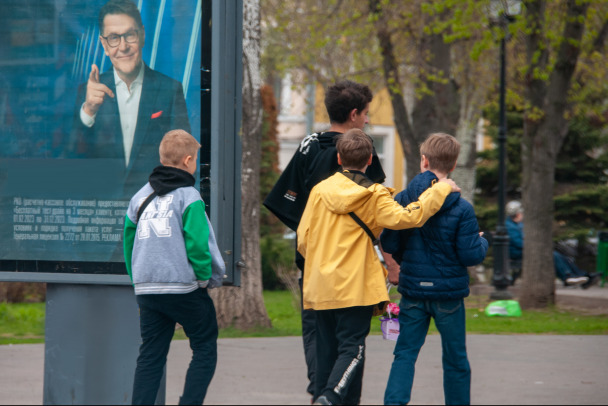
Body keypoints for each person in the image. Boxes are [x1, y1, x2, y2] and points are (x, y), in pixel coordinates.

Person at [297, 129, 460, 406]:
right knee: (353, 349)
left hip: (319, 285)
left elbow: (303, 238)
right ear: (371, 159)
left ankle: (323, 395)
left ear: (338, 158)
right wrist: (440, 188)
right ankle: (331, 397)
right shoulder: (374, 196)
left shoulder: (319, 191)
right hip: (355, 286)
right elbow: (411, 217)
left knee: (326, 353)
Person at [263, 80, 386, 397]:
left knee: (318, 340)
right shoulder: (363, 150)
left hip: (314, 266)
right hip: (352, 268)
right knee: (351, 343)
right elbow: (378, 213)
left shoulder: (308, 146)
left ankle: (321, 394)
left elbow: (282, 201)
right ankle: (336, 396)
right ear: (355, 114)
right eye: (367, 114)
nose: (368, 121)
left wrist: (312, 234)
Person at [381, 133, 488, 406]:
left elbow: (390, 241)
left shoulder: (404, 199)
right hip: (448, 294)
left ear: (424, 161)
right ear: (452, 166)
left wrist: (405, 257)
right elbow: (469, 255)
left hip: (413, 290)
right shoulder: (462, 208)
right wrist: (481, 240)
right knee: (455, 358)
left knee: (405, 353)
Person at [123, 129, 224, 405]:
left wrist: (137, 280)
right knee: (204, 347)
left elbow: (128, 243)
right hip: (183, 288)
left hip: (147, 289)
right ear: (188, 160)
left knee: (151, 355)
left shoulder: (140, 197)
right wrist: (204, 279)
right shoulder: (188, 196)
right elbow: (197, 244)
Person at [72, 0, 191, 193]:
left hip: (153, 211)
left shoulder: (170, 89)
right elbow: (70, 159)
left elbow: (184, 159)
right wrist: (89, 111)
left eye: (129, 35)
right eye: (113, 38)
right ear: (104, 44)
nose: (123, 46)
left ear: (142, 35)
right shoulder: (87, 94)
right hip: (101, 212)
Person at [505, 200, 600, 288]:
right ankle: (567, 276)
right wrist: (536, 245)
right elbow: (519, 243)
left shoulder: (518, 225)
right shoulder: (509, 226)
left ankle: (583, 276)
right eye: (522, 212)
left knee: (560, 253)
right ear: (517, 214)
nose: (523, 214)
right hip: (518, 253)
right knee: (551, 255)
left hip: (527, 250)